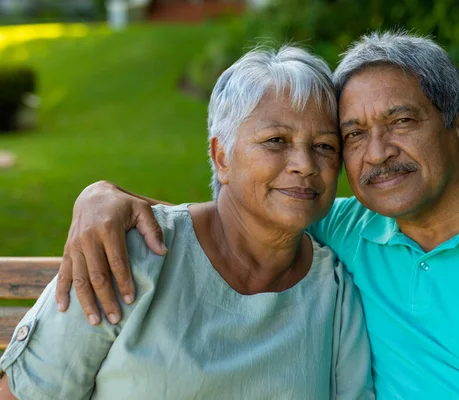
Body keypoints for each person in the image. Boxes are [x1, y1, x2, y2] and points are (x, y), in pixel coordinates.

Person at [10, 30, 459, 399]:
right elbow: (236, 214)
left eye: (401, 122)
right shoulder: (350, 229)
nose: (377, 153)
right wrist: (101, 197)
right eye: (354, 134)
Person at [0, 46, 374, 400]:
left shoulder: (335, 291)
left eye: (325, 146)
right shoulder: (128, 253)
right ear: (222, 157)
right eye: (276, 140)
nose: (305, 164)